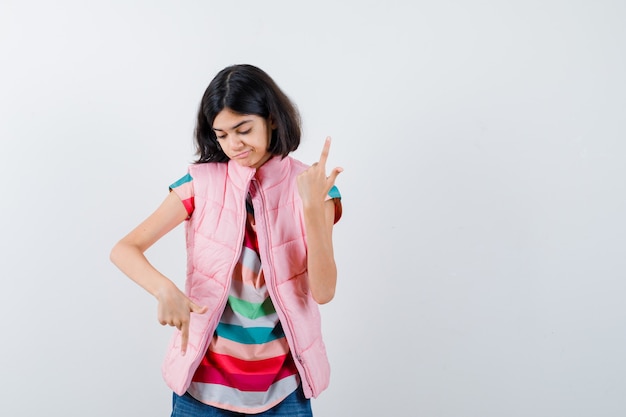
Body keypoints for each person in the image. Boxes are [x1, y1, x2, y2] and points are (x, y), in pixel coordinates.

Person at [110, 64, 343, 417]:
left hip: (284, 390)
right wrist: (164, 289)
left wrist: (311, 208)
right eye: (221, 134)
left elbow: (323, 292)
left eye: (243, 129)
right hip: (202, 388)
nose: (234, 144)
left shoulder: (313, 189)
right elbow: (124, 249)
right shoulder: (198, 184)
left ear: (273, 121)